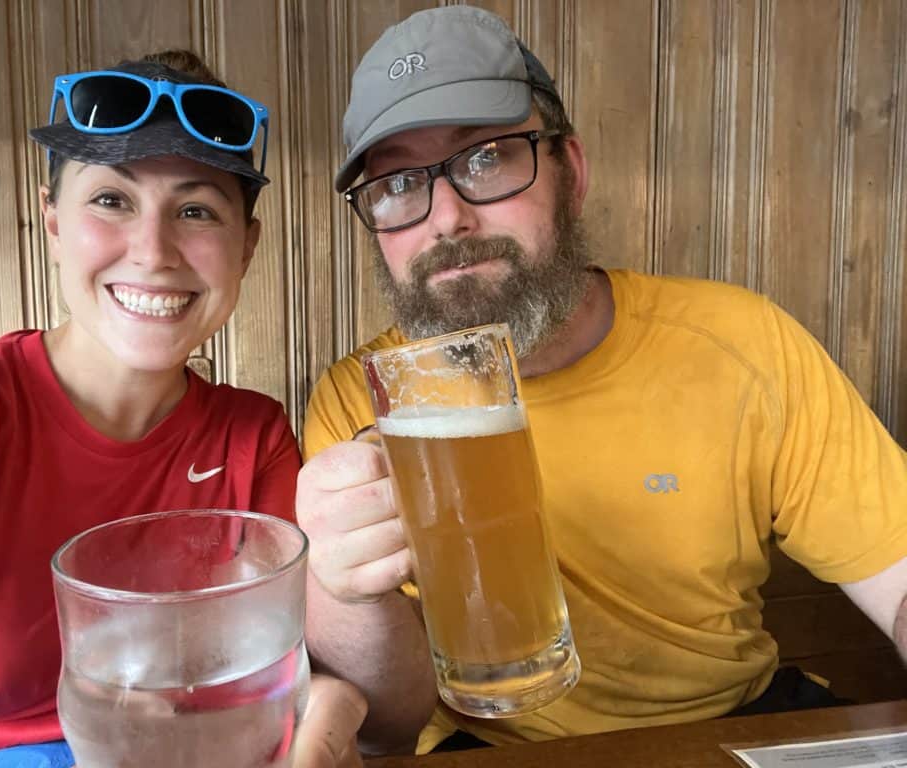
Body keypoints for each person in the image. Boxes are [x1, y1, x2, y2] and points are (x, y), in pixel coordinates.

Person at [295, 4, 907, 756]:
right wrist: (344, 590)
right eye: (395, 184)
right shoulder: (364, 401)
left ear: (570, 172)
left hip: (734, 725)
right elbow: (387, 725)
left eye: (486, 157)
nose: (445, 218)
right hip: (491, 746)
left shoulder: (742, 344)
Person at [0, 50, 315, 766]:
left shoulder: (254, 436)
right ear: (53, 223)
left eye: (196, 209)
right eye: (112, 200)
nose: (153, 251)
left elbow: (301, 666)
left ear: (246, 248)